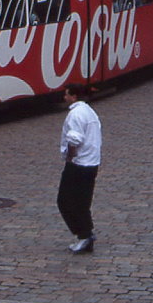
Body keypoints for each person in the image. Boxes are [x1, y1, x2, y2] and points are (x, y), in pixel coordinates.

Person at [56, 83, 102, 254]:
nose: (64, 97)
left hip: (79, 164)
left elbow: (74, 139)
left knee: (65, 201)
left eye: (66, 94)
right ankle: (86, 234)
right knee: (82, 202)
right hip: (91, 162)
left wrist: (69, 156)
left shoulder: (75, 114)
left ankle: (84, 235)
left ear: (74, 96)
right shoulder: (89, 111)